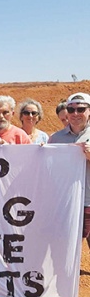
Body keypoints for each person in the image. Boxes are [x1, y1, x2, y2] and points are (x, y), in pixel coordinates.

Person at [49, 92, 90, 250]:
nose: (75, 114)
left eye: (81, 109)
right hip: (67, 201)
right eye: (71, 110)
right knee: (69, 245)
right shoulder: (56, 138)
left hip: (87, 200)